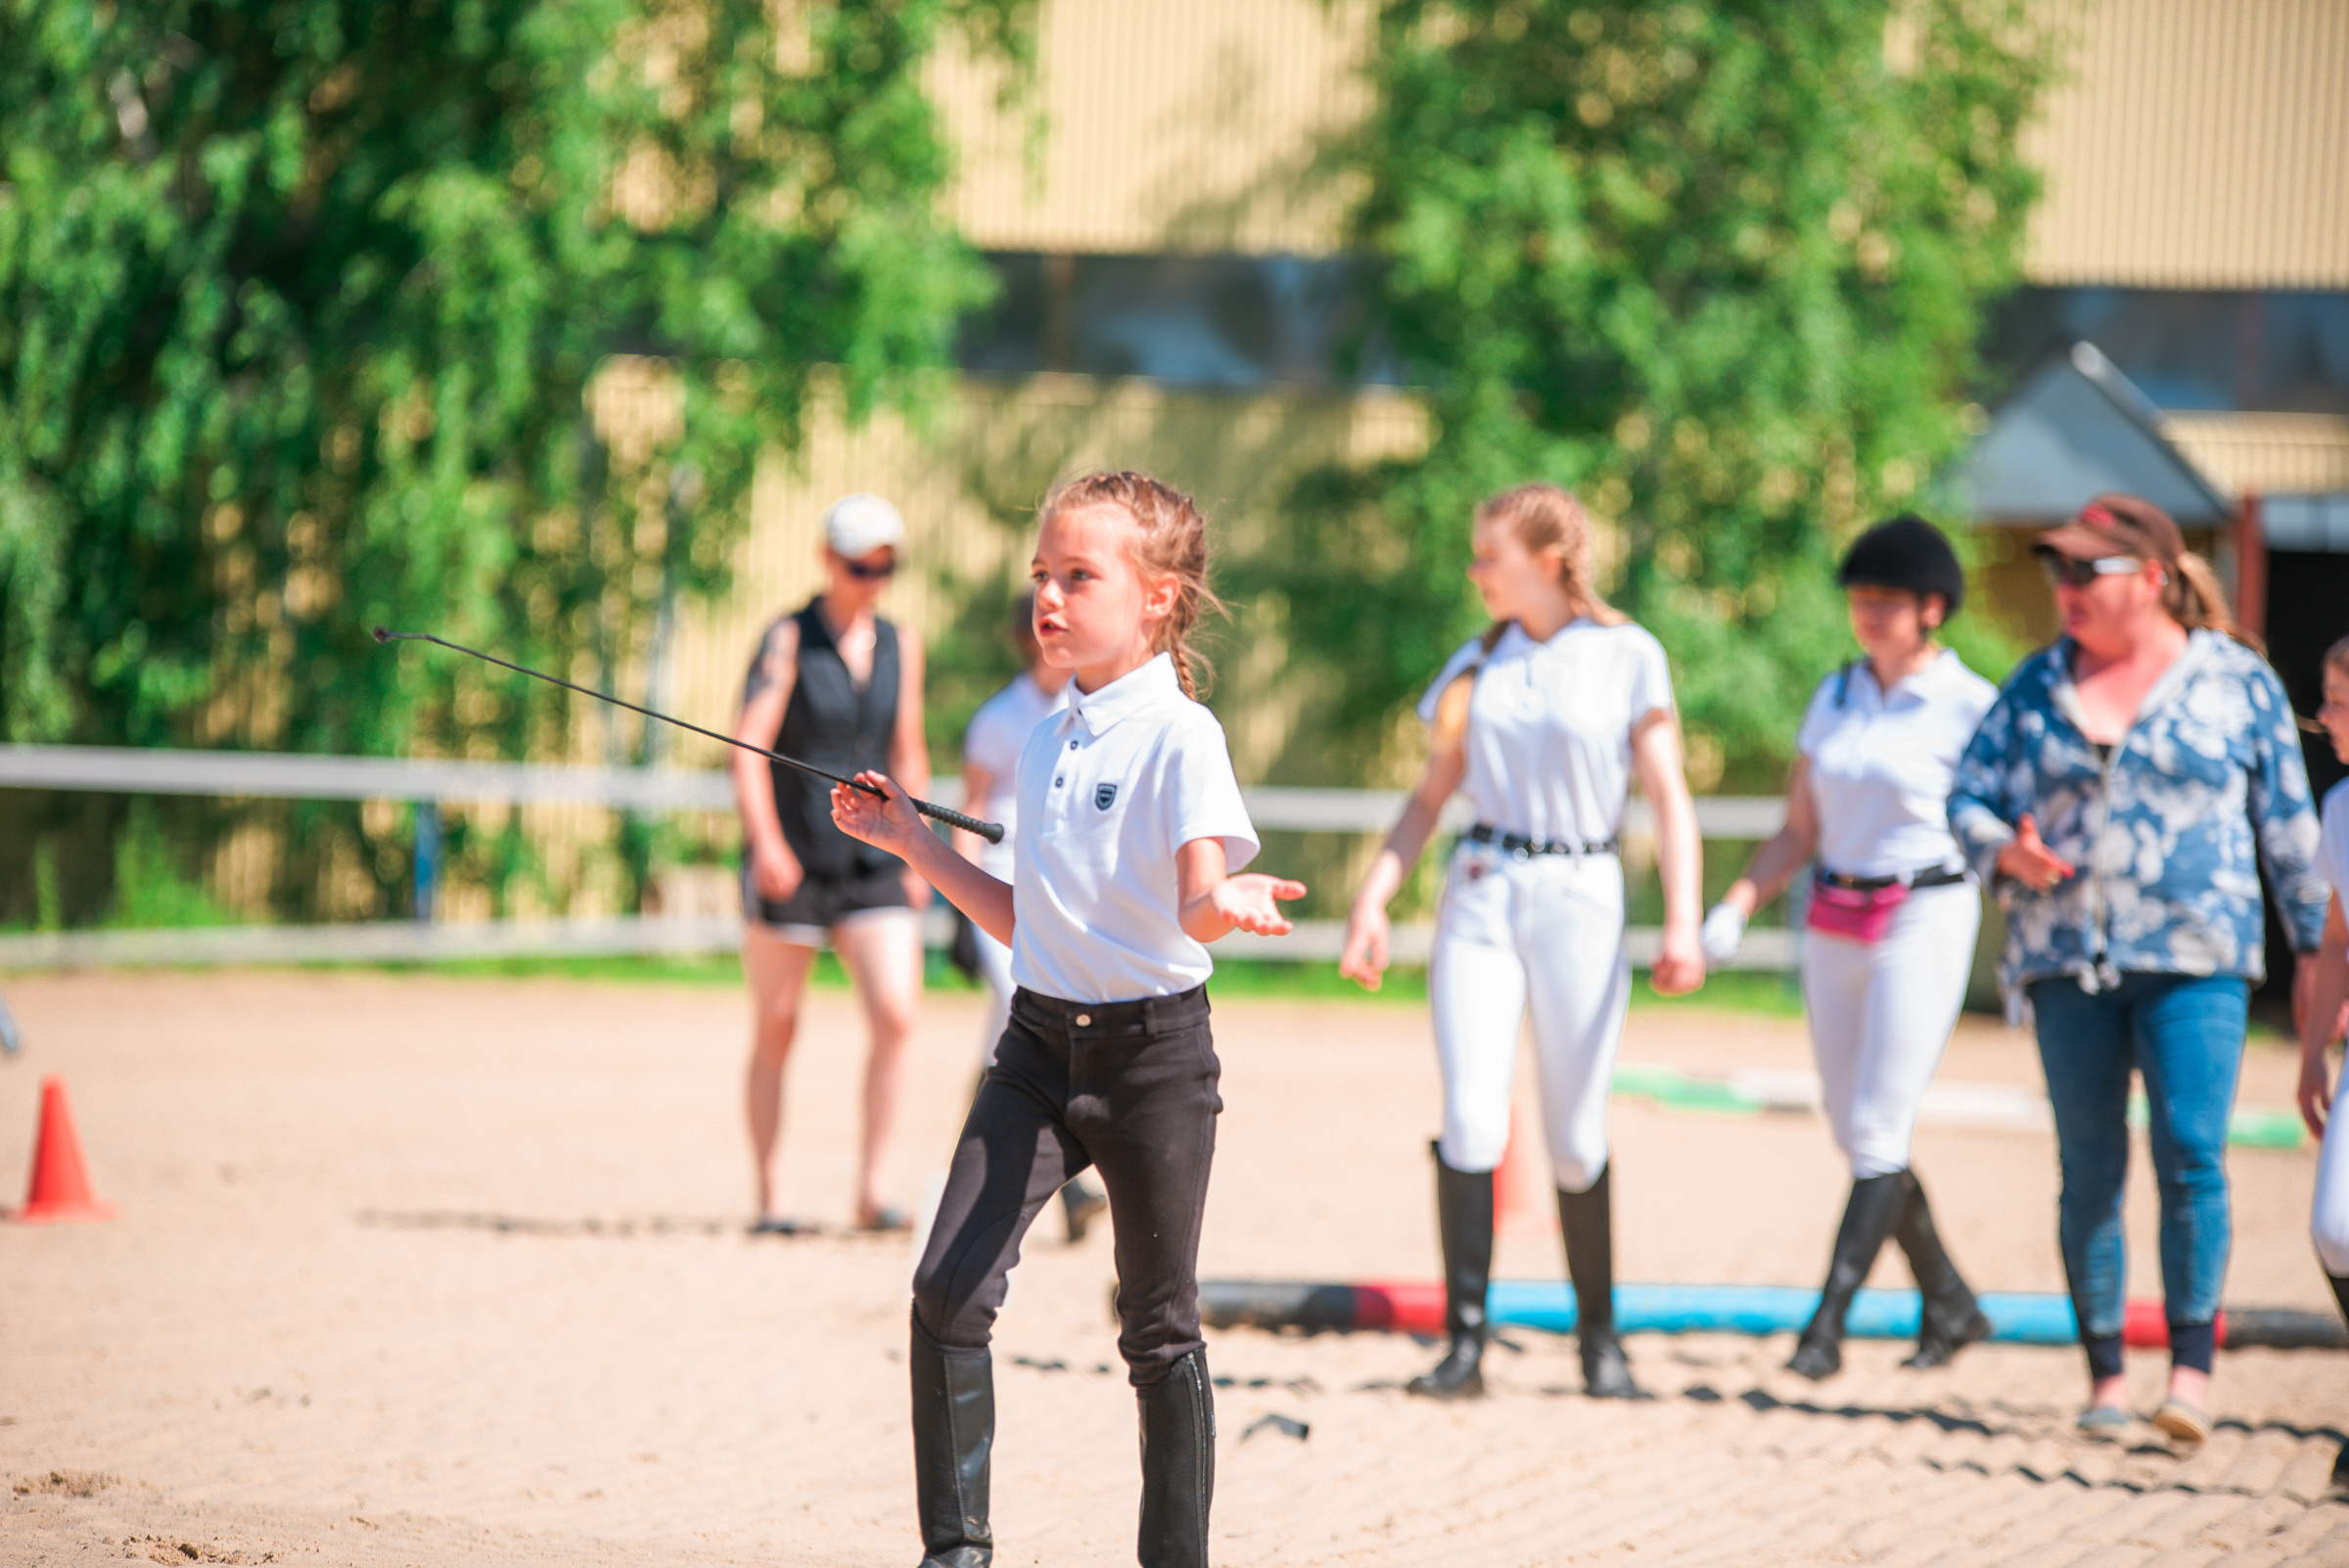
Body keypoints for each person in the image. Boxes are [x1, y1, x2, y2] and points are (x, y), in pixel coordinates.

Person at [831, 471, 1305, 1568]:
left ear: (1158, 597)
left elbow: (1196, 901)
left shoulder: (1183, 737)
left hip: (1155, 1063)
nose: (1047, 596)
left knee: (1158, 1330)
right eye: (1041, 574)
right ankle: (956, 1553)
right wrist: (912, 841)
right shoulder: (1046, 738)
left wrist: (1228, 903)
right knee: (947, 1292)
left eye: (1078, 576)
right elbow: (1025, 919)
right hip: (1037, 1051)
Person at [1949, 493, 2327, 1444]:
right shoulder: (2035, 683)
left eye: (2088, 570)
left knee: (2191, 1153)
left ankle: (2190, 1376)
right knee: (2089, 1168)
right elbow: (1964, 797)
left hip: (2198, 958)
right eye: (2057, 570)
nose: (2066, 587)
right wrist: (2005, 852)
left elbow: (2292, 832)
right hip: (2064, 959)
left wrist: (2320, 956)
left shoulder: (2236, 681)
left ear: (2153, 577)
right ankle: (2107, 1378)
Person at [1337, 483, 1707, 1402]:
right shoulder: (1478, 662)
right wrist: (1373, 898)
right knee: (1472, 1116)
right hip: (1483, 889)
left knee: (1575, 1135)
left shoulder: (1629, 655)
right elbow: (1429, 798)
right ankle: (1465, 1345)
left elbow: (1669, 798)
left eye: (1489, 555)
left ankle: (1599, 1341)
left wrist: (1685, 920)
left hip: (1583, 890)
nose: (1475, 572)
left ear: (1549, 560)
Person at [1701, 516, 1999, 1379]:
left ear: (1931, 608)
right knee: (1852, 1125)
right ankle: (1951, 1300)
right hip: (1834, 911)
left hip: (1923, 911)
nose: (1867, 613)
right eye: (1860, 598)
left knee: (1878, 1125)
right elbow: (1799, 826)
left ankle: (1824, 1328)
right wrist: (1738, 903)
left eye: (1886, 600)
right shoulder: (1833, 697)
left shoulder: (1970, 705)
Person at [732, 493, 932, 1236]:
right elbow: (747, 750)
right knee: (778, 1026)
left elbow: (909, 748)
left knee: (897, 1015)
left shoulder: (903, 644)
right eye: (859, 566)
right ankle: (772, 1196)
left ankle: (873, 1190)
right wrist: (767, 844)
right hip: (796, 858)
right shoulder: (787, 638)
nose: (872, 580)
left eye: (886, 567)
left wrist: (921, 852)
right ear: (827, 560)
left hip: (875, 858)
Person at [954, 591, 1108, 1243]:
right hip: (1000, 882)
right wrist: (960, 908)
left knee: (1009, 1029)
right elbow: (972, 806)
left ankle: (981, 1161)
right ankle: (1066, 1186)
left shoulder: (1086, 711)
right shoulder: (998, 718)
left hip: (1057, 887)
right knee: (1024, 1006)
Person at [2293, 633, 2349, 1488]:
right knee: (2335, 1229)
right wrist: (2311, 1053)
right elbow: (2338, 937)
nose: (2325, 716)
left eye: (2340, 702)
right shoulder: (2340, 807)